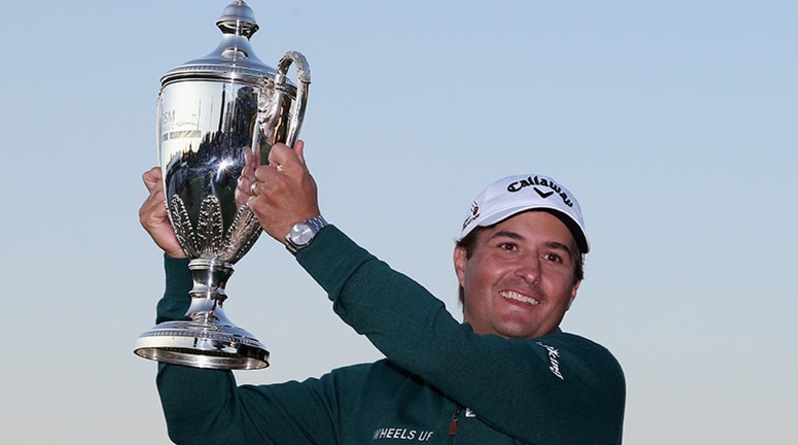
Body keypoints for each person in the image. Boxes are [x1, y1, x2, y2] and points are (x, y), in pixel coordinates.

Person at [139, 141, 626, 444]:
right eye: (507, 245)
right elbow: (206, 426)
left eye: (554, 257)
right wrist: (189, 264)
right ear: (463, 262)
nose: (529, 272)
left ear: (574, 289)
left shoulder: (589, 379)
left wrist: (310, 233)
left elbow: (446, 353)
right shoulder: (362, 396)